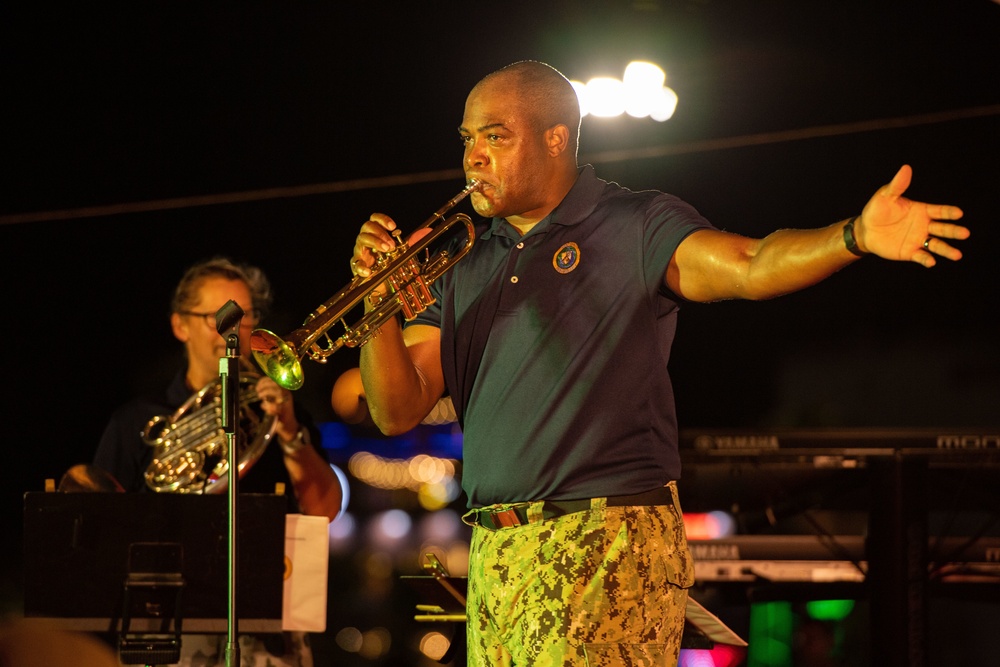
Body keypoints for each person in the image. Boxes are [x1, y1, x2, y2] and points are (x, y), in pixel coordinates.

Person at [340, 60, 969, 666]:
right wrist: (378, 307)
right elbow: (397, 411)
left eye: (495, 137)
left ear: (556, 138)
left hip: (604, 539)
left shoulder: (632, 223)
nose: (474, 156)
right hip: (495, 547)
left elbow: (751, 266)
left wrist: (855, 234)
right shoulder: (465, 261)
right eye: (469, 139)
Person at [93, 256, 343, 667]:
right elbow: (103, 531)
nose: (233, 331)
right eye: (218, 317)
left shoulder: (279, 416)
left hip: (269, 632)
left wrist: (289, 434)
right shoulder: (138, 421)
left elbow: (325, 510)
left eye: (243, 318)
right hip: (165, 632)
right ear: (180, 325)